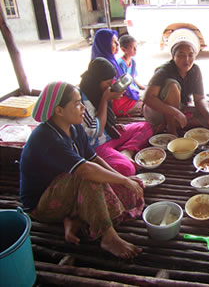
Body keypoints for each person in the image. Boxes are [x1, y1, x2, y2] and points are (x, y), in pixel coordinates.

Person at [20, 81, 144, 259]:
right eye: (77, 104)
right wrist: (123, 180)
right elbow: (85, 169)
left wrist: (122, 178)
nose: (83, 108)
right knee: (89, 177)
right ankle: (108, 237)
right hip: (43, 203)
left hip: (67, 190)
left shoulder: (74, 127)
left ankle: (74, 218)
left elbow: (94, 158)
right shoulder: (46, 138)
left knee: (133, 185)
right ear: (59, 110)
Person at [79, 57, 154, 180]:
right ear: (96, 81)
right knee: (127, 169)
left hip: (109, 135)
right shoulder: (82, 100)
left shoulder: (97, 90)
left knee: (146, 126)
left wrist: (112, 126)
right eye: (107, 83)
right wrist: (105, 99)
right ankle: (120, 157)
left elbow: (107, 119)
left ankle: (127, 151)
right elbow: (95, 132)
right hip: (97, 146)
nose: (109, 86)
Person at [143, 37, 209, 136]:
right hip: (158, 112)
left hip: (180, 109)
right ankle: (171, 126)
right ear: (173, 56)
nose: (187, 59)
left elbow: (199, 99)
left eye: (191, 55)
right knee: (172, 85)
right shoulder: (164, 70)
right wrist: (176, 113)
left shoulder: (195, 70)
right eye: (181, 55)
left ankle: (175, 123)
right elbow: (147, 98)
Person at [91, 28, 142, 117]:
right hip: (115, 102)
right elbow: (112, 92)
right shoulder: (102, 64)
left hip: (119, 98)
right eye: (114, 42)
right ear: (105, 44)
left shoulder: (111, 60)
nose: (118, 44)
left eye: (117, 41)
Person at [117, 34, 146, 114]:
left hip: (134, 89)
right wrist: (139, 92)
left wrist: (144, 88)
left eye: (136, 46)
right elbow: (125, 85)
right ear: (123, 49)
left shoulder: (133, 61)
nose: (135, 49)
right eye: (133, 47)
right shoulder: (120, 64)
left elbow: (134, 78)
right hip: (128, 91)